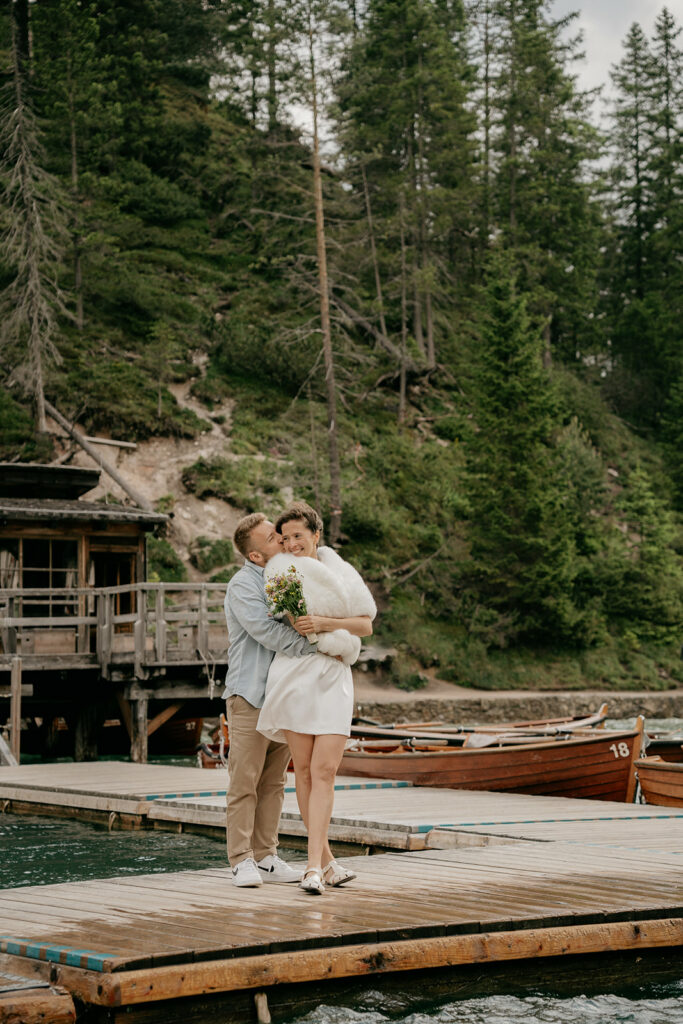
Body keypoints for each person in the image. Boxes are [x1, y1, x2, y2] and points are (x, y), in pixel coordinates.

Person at [257, 501, 376, 894]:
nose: (292, 543)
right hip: (297, 676)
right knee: (304, 772)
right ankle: (318, 865)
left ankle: (320, 864)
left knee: (325, 771)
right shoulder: (279, 574)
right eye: (285, 537)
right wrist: (336, 636)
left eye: (298, 536)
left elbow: (364, 625)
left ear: (316, 535)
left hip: (334, 678)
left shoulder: (341, 572)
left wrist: (329, 624)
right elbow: (300, 626)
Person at [223, 512, 320, 888]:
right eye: (273, 539)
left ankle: (266, 855)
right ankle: (240, 860)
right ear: (255, 556)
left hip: (284, 693)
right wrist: (313, 649)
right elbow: (264, 630)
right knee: (244, 780)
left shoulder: (282, 576)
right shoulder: (242, 585)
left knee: (274, 782)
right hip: (249, 694)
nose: (282, 541)